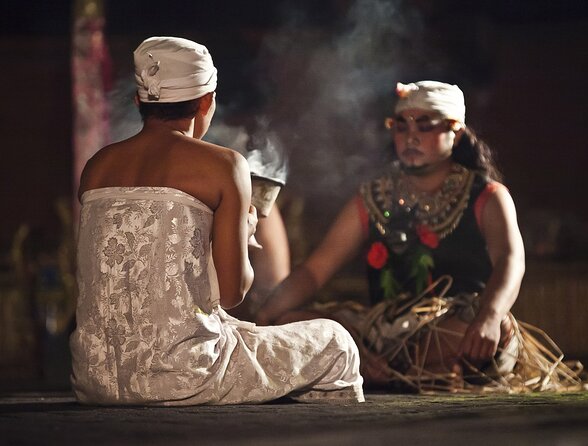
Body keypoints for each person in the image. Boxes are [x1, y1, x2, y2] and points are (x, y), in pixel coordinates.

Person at [69, 36, 364, 405]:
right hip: (183, 375)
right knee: (335, 342)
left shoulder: (98, 165)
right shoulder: (224, 164)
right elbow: (232, 293)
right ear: (207, 102)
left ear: (139, 102)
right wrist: (243, 231)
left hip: (94, 378)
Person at [256, 81, 526, 388]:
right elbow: (316, 270)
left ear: (458, 133)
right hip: (383, 334)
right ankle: (392, 368)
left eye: (425, 126)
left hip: (454, 327)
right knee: (289, 322)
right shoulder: (373, 197)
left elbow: (510, 260)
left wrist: (488, 317)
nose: (410, 136)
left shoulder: (488, 196)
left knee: (498, 327)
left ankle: (390, 369)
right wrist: (266, 315)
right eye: (400, 126)